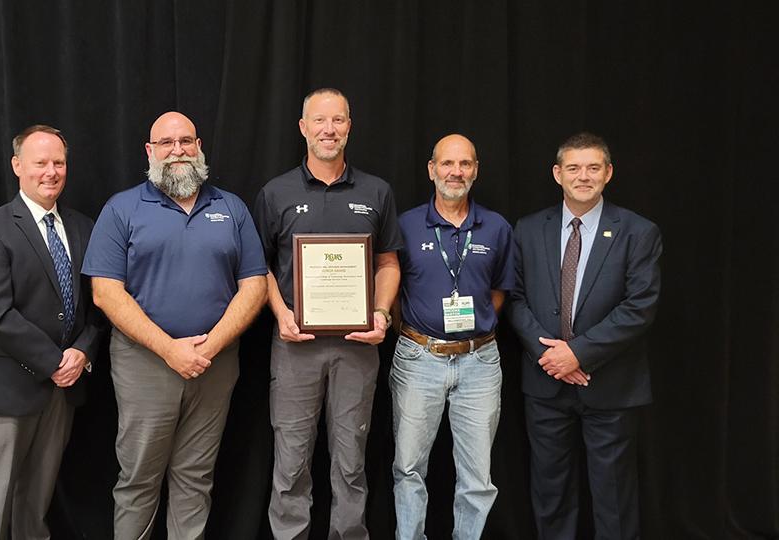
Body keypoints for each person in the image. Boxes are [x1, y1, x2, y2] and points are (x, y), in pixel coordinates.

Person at [82, 111, 268, 540]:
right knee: (138, 482)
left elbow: (254, 285)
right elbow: (106, 293)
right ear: (150, 151)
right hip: (145, 365)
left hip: (215, 365)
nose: (177, 150)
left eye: (186, 141)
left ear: (199, 146)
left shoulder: (231, 207)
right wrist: (170, 349)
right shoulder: (122, 208)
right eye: (166, 143)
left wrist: (208, 348)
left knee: (195, 479)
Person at [253, 88, 402, 540]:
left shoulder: (376, 191)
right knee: (292, 460)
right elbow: (255, 267)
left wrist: (380, 314)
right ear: (303, 127)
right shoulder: (275, 192)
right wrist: (280, 314)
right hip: (296, 345)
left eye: (337, 121)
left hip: (358, 349)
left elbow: (388, 263)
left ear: (349, 127)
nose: (328, 130)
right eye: (319, 121)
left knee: (351, 460)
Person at [507, 132, 662, 539]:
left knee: (613, 496)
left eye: (593, 168)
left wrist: (577, 354)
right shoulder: (526, 229)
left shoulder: (637, 231)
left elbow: (639, 307)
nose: (583, 176)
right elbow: (515, 299)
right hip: (545, 384)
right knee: (550, 492)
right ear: (557, 174)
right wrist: (552, 358)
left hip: (611, 385)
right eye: (573, 168)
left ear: (608, 173)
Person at [0, 124, 102, 540]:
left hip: (64, 389)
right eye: (40, 162)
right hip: (8, 386)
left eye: (58, 163)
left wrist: (82, 352)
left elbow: (97, 306)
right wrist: (53, 361)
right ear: (17, 165)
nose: (51, 171)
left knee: (36, 501)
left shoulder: (83, 227)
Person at [390, 134, 515, 539]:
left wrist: (470, 330)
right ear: (432, 170)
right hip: (418, 357)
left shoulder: (496, 227)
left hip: (480, 362)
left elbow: (498, 292)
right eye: (447, 164)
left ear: (476, 171)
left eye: (464, 164)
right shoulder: (406, 225)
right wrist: (414, 331)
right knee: (409, 468)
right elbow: (389, 286)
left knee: (478, 477)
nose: (455, 172)